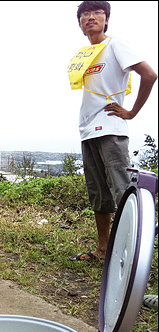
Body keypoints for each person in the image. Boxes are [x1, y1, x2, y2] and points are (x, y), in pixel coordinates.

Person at [69, 1, 157, 261]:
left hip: (110, 129)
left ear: (107, 19)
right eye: (85, 14)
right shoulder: (86, 54)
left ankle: (133, 256)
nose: (91, 18)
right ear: (80, 23)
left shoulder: (115, 44)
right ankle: (103, 249)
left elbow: (149, 75)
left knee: (123, 191)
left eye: (97, 13)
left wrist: (132, 112)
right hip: (88, 131)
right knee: (98, 194)